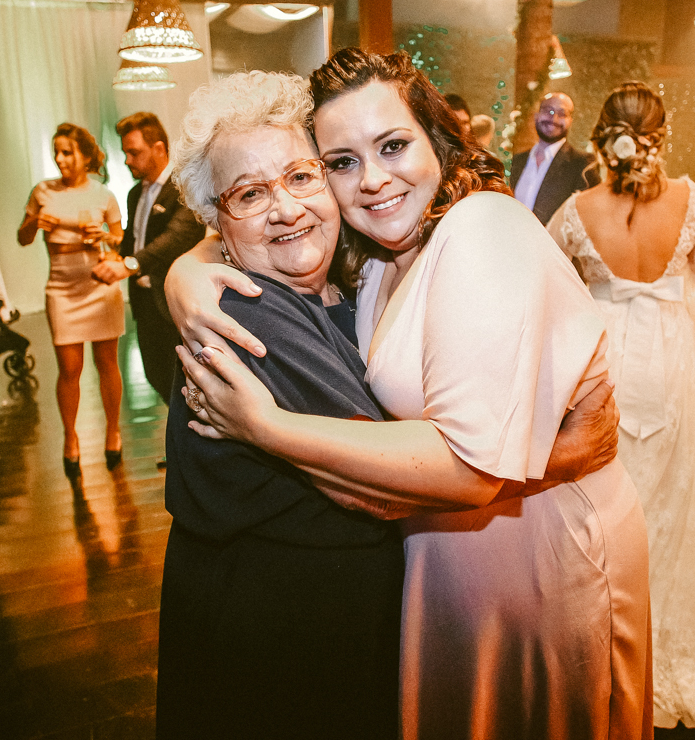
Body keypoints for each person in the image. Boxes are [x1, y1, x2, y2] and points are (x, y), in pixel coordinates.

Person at [168, 49, 652, 740]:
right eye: (341, 162)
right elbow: (370, 485)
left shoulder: (477, 230)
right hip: (437, 569)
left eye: (393, 145)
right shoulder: (364, 260)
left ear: (440, 141)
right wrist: (186, 269)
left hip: (538, 561)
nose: (370, 179)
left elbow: (439, 475)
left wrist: (264, 426)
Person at [155, 70, 406, 740]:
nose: (286, 209)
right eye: (250, 194)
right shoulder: (248, 313)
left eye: (299, 176)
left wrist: (183, 267)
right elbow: (382, 489)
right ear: (216, 222)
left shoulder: (342, 280)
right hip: (280, 632)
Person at [547, 81, 695, 739]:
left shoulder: (575, 210)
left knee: (597, 513)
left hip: (601, 373)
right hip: (672, 372)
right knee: (670, 516)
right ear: (660, 138)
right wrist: (693, 361)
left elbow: (546, 296)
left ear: (600, 139)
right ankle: (662, 654)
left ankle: (596, 654)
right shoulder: (692, 202)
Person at [18, 123, 124, 477]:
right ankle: (70, 437)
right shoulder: (43, 191)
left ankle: (113, 431)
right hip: (62, 288)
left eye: (67, 152)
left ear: (84, 155)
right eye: (57, 153)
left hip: (100, 284)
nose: (60, 159)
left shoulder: (103, 194)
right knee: (69, 369)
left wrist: (104, 235)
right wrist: (35, 221)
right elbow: (22, 238)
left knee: (107, 363)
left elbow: (120, 241)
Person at [90, 112, 204, 405]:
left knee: (187, 383)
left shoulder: (184, 187)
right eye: (125, 153)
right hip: (146, 303)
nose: (127, 160)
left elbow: (176, 238)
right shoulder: (134, 194)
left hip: (175, 300)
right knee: (156, 375)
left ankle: (194, 434)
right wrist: (113, 250)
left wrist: (129, 265)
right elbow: (135, 240)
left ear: (159, 149)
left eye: (134, 152)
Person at [509, 91, 599, 224]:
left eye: (562, 114)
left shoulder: (583, 165)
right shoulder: (517, 161)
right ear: (536, 115)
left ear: (570, 121)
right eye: (548, 111)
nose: (554, 118)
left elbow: (588, 218)